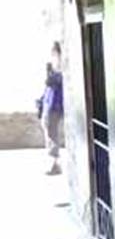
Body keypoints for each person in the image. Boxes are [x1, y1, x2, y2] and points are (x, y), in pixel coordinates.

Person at [40, 42, 64, 176]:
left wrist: (51, 78)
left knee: (51, 132)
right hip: (50, 102)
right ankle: (54, 162)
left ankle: (55, 163)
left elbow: (56, 82)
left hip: (55, 103)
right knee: (49, 129)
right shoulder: (54, 66)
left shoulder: (60, 65)